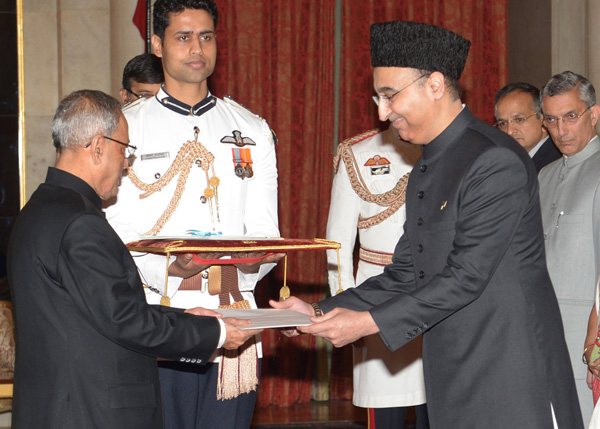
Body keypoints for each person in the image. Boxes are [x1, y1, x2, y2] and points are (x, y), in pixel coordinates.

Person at [272, 21, 583, 428]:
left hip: (511, 378)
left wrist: (365, 324)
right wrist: (318, 311)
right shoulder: (425, 168)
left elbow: (465, 276)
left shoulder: (495, 160)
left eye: (389, 96)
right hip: (451, 373)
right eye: (377, 98)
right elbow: (407, 272)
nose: (382, 111)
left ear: (435, 85)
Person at [6, 89, 261, 428]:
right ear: (98, 147)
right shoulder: (81, 223)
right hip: (91, 412)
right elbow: (127, 322)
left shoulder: (36, 212)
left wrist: (186, 315)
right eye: (124, 149)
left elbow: (96, 313)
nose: (127, 163)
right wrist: (214, 332)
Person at [105, 0, 281, 428]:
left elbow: (266, 231)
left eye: (206, 36)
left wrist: (246, 267)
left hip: (233, 316)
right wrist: (175, 270)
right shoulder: (127, 127)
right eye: (183, 37)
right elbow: (116, 230)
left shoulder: (252, 129)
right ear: (158, 45)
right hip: (160, 316)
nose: (197, 47)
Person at [325, 126, 428, 428]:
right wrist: (346, 308)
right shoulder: (357, 153)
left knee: (439, 408)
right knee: (384, 410)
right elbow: (338, 245)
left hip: (437, 296)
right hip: (378, 298)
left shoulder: (446, 147)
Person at [538, 70, 600, 422]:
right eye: (551, 119)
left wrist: (596, 343)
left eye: (571, 117)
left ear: (593, 114)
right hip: (543, 339)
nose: (560, 130)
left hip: (584, 345)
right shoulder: (544, 175)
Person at [494, 82, 561, 172]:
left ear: (543, 119)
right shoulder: (502, 162)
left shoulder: (556, 162)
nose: (509, 131)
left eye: (519, 119)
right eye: (503, 123)